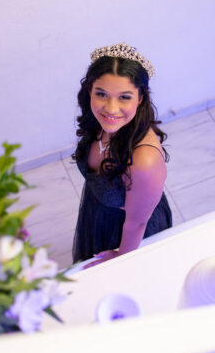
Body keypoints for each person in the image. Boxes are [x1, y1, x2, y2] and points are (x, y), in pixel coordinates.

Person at [72, 42, 172, 268]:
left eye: (124, 97)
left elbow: (136, 224)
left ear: (140, 98)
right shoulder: (97, 123)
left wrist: (120, 257)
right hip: (97, 212)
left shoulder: (144, 161)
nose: (111, 109)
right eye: (101, 94)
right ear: (90, 90)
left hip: (127, 232)